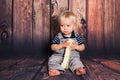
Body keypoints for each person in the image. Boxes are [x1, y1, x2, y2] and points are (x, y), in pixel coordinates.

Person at [48, 11, 86, 76]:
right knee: (52, 60)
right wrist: (62, 45)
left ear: (73, 26)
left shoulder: (76, 36)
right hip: (59, 56)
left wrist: (76, 47)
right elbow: (52, 47)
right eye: (62, 25)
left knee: (76, 61)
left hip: (72, 56)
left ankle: (78, 69)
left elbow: (83, 47)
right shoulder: (58, 36)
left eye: (68, 25)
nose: (65, 28)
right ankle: (56, 70)